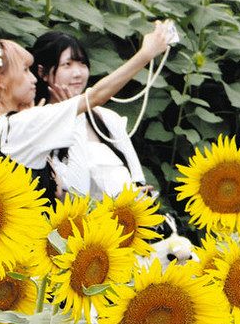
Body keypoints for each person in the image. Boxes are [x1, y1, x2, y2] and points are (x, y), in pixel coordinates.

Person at [0, 21, 172, 200]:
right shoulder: (21, 125)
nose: (33, 78)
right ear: (0, 81)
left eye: (82, 63)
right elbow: (97, 96)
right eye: (25, 70)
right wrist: (146, 54)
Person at [29, 30, 152, 202]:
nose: (78, 73)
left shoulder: (107, 119)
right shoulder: (36, 125)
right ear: (42, 72)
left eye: (82, 63)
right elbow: (77, 193)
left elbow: (138, 182)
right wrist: (74, 116)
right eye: (67, 65)